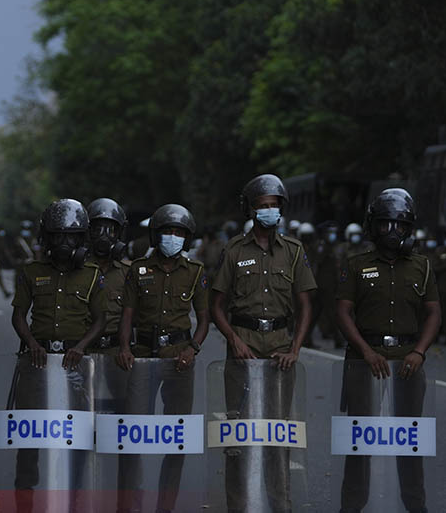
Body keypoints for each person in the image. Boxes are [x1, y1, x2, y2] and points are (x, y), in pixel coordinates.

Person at [210, 174, 316, 513]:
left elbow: (305, 306)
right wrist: (234, 340)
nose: (269, 212)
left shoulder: (295, 252)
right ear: (251, 209)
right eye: (262, 206)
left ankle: (278, 503)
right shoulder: (233, 251)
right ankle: (239, 506)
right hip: (243, 352)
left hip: (279, 354)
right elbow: (216, 306)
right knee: (238, 436)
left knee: (277, 434)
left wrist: (295, 348)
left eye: (274, 206)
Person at [335, 188, 439, 513]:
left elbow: (434, 312)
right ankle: (351, 506)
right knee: (360, 441)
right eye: (385, 224)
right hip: (365, 362)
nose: (393, 232)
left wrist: (419, 352)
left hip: (408, 363)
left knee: (410, 441)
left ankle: (415, 506)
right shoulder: (354, 265)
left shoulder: (422, 266)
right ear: (372, 226)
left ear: (411, 229)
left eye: (401, 225)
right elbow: (342, 311)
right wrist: (365, 351)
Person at [10, 199, 107, 513]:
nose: (64, 243)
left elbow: (100, 319)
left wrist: (80, 347)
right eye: (58, 236)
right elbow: (18, 316)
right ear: (46, 238)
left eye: (72, 237)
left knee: (76, 436)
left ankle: (74, 498)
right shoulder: (31, 272)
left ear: (82, 240)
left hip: (74, 367)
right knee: (29, 438)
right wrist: (32, 343)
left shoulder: (92, 276)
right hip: (37, 364)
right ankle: (24, 500)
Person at [115, 203, 210, 512]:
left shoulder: (195, 272)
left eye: (179, 233)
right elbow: (127, 314)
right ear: (156, 235)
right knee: (133, 434)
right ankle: (129, 503)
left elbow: (204, 319)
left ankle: (165, 505)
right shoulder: (138, 269)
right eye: (168, 232)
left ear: (188, 238)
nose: (173, 237)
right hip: (141, 356)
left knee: (176, 436)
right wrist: (125, 347)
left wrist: (192, 349)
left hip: (178, 359)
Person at [85, 197, 129, 353]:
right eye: (98, 230)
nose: (104, 236)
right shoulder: (78, 270)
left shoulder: (128, 272)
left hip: (116, 351)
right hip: (83, 350)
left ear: (119, 234)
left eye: (110, 230)